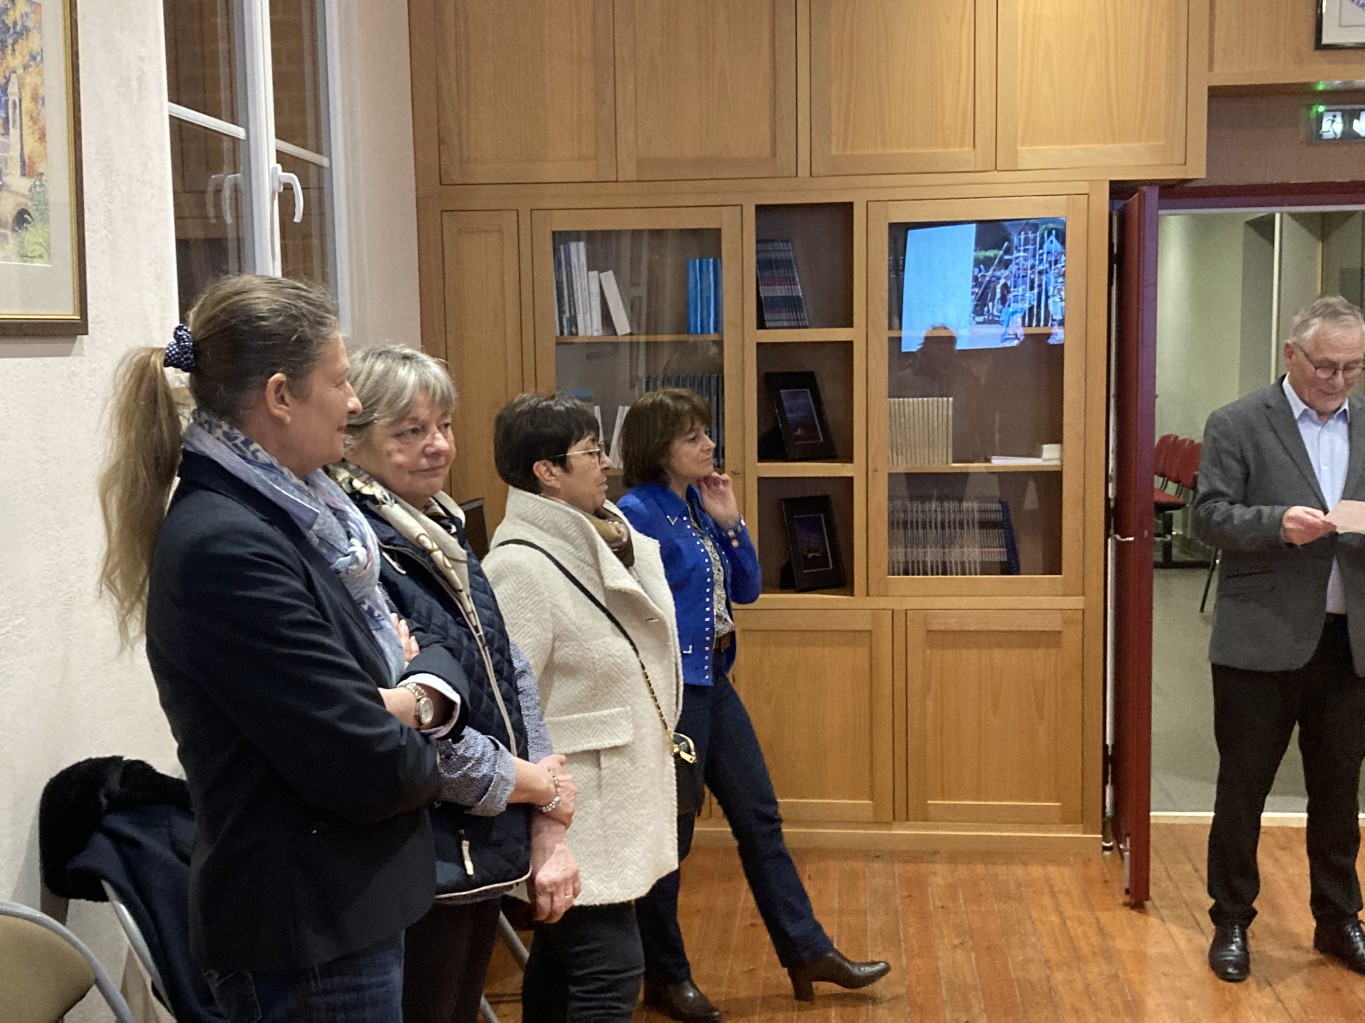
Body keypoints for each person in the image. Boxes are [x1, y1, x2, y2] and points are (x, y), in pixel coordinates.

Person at [97, 274, 469, 1022]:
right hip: (306, 932)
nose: (355, 402)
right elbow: (369, 763)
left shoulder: (310, 512)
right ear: (279, 396)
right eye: (339, 380)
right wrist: (416, 714)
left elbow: (432, 637)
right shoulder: (228, 545)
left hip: (346, 907)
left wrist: (407, 698)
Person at [616, 388, 890, 1022]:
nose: (709, 445)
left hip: (716, 684)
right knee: (673, 839)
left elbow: (749, 590)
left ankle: (808, 952)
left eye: (706, 432)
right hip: (674, 697)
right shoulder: (636, 513)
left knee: (761, 821)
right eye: (692, 437)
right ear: (659, 448)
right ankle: (666, 976)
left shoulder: (697, 505)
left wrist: (732, 522)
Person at [328, 345, 580, 1023]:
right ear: (352, 439)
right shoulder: (358, 549)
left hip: (482, 835)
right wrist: (532, 784)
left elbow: (505, 666)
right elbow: (417, 727)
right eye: (410, 430)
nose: (437, 444)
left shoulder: (439, 524)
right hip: (424, 846)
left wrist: (545, 791)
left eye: (443, 425)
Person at [481, 393, 681, 1022]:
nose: (607, 463)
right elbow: (504, 707)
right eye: (592, 452)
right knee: (609, 971)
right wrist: (541, 813)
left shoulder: (603, 538)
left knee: (561, 966)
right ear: (547, 471)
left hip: (609, 795)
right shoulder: (519, 566)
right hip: (574, 809)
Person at [1193, 295, 1365, 984]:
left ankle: (1338, 918)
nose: (1337, 380)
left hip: (1349, 642)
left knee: (1338, 791)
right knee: (1243, 788)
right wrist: (1275, 523)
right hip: (1260, 640)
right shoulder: (1237, 422)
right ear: (1290, 354)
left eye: (1352, 367)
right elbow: (1208, 516)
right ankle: (1231, 919)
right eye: (1325, 365)